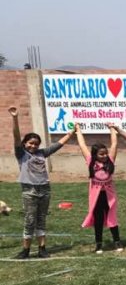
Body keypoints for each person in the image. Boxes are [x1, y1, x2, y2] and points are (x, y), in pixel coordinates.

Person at [10, 106, 75, 259]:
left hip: (45, 190)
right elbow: (15, 136)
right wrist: (15, 118)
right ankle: (25, 250)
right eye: (30, 143)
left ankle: (42, 249)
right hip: (29, 191)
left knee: (41, 219)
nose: (33, 146)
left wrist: (71, 133)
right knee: (30, 220)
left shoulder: (42, 153)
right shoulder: (21, 154)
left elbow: (58, 145)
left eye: (36, 144)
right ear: (25, 143)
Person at [74, 123, 123, 253]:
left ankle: (117, 241)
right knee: (98, 219)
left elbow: (114, 145)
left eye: (105, 154)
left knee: (112, 217)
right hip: (96, 196)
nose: (104, 156)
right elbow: (82, 146)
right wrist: (78, 131)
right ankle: (99, 244)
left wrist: (112, 129)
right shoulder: (91, 161)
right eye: (101, 154)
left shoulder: (110, 160)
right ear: (95, 155)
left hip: (109, 195)